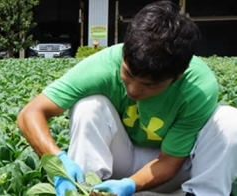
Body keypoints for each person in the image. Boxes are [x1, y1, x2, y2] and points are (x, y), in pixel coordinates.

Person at [17, 1, 237, 196]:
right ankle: (87, 190)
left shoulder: (197, 86)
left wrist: (130, 185)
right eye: (128, 74)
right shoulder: (104, 65)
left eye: (149, 85)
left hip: (173, 171)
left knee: (229, 120)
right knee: (89, 106)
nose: (133, 90)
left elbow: (169, 162)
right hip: (120, 160)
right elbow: (30, 113)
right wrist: (58, 161)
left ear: (177, 76)